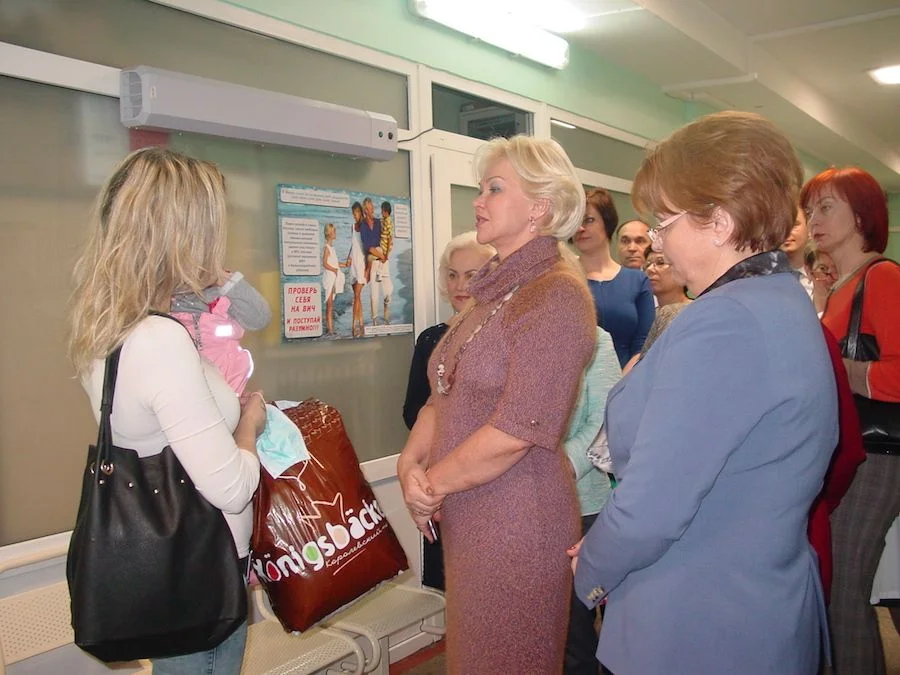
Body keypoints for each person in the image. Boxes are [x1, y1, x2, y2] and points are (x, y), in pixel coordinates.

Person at [569, 111, 838, 675]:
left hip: (692, 621)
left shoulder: (725, 321)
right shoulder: (779, 298)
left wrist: (590, 567)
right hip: (750, 606)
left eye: (663, 223)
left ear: (718, 221)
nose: (657, 242)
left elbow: (652, 509)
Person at [398, 135, 596, 673]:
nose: (479, 201)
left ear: (540, 207)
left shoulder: (555, 294)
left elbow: (517, 430)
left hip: (517, 521)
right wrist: (409, 464)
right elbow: (442, 392)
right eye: (482, 188)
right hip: (470, 512)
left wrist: (430, 484)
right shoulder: (490, 294)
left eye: (495, 189)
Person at [68, 147, 265, 675]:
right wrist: (250, 426)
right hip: (202, 573)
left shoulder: (109, 327)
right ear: (182, 236)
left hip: (170, 567)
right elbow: (231, 487)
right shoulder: (160, 339)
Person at [802, 165, 900, 675]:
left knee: (843, 594)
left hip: (875, 454)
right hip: (849, 453)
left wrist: (841, 370)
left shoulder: (882, 277)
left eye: (826, 207)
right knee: (837, 588)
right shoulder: (844, 286)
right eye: (810, 210)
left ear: (862, 215)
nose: (813, 220)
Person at [402, 231, 494, 591]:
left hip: (487, 481)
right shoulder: (431, 339)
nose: (460, 285)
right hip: (436, 481)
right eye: (453, 275)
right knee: (448, 591)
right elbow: (413, 409)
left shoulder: (503, 338)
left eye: (472, 275)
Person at [562, 326, 620, 675]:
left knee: (585, 635)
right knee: (561, 635)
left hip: (586, 508)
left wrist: (553, 469)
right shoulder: (510, 337)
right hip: (527, 512)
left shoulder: (595, 340)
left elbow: (604, 422)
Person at [573, 188, 654, 367]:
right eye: (575, 222)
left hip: (627, 377)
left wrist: (623, 380)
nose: (580, 228)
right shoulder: (564, 278)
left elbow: (643, 344)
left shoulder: (637, 281)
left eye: (589, 220)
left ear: (607, 222)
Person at [360, 196, 394, 325]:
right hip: (374, 261)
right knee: (374, 296)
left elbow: (388, 236)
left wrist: (386, 254)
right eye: (370, 208)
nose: (373, 210)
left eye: (373, 207)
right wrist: (381, 255)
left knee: (388, 292)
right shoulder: (363, 226)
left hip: (383, 261)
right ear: (365, 210)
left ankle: (386, 314)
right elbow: (368, 247)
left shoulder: (379, 222)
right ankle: (375, 322)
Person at [320, 222, 348, 336]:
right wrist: (334, 270)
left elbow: (335, 263)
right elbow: (324, 263)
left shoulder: (332, 248)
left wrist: (345, 264)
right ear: (329, 233)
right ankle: (330, 329)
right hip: (329, 279)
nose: (335, 233)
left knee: (331, 305)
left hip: (333, 278)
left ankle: (330, 328)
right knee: (329, 305)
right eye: (334, 231)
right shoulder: (327, 248)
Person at [345, 201, 367, 337]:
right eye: (353, 213)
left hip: (361, 264)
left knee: (357, 296)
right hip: (353, 263)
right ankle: (362, 323)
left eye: (356, 213)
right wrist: (348, 257)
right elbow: (353, 245)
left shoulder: (365, 227)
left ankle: (354, 326)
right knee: (357, 296)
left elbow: (368, 248)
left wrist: (367, 269)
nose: (354, 216)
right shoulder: (352, 227)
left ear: (360, 212)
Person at [782, 210, 815, 298]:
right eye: (780, 226)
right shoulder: (764, 277)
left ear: (809, 227)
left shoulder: (824, 276)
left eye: (794, 225)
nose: (786, 232)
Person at [805, 246, 837, 316]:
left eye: (836, 269)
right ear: (808, 271)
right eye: (822, 269)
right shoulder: (799, 308)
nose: (829, 279)